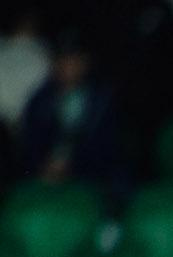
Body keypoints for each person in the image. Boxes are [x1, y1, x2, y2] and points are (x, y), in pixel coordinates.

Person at [17, 33, 127, 190]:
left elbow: (110, 145)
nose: (66, 66)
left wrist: (72, 165)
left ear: (85, 62)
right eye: (61, 59)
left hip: (89, 172)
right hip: (45, 173)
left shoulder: (103, 99)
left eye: (73, 60)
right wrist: (43, 166)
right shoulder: (41, 99)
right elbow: (30, 142)